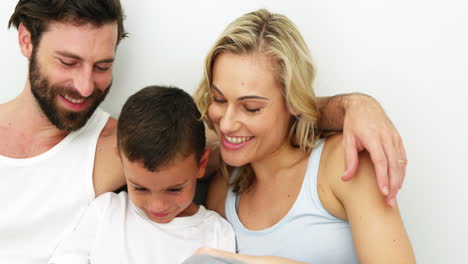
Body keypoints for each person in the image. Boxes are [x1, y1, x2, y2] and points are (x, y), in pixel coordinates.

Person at [0, 0, 406, 263]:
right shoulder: (224, 179)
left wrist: (353, 105)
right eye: (218, 99)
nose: (86, 86)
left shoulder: (343, 164)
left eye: (103, 66)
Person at [188, 9, 415, 264]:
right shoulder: (224, 186)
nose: (227, 123)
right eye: (218, 99)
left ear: (293, 101)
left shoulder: (344, 163)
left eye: (251, 108)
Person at [48, 85, 236, 264]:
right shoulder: (105, 212)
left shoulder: (217, 234)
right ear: (121, 161)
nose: (157, 206)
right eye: (141, 188)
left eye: (174, 189)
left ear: (201, 165)